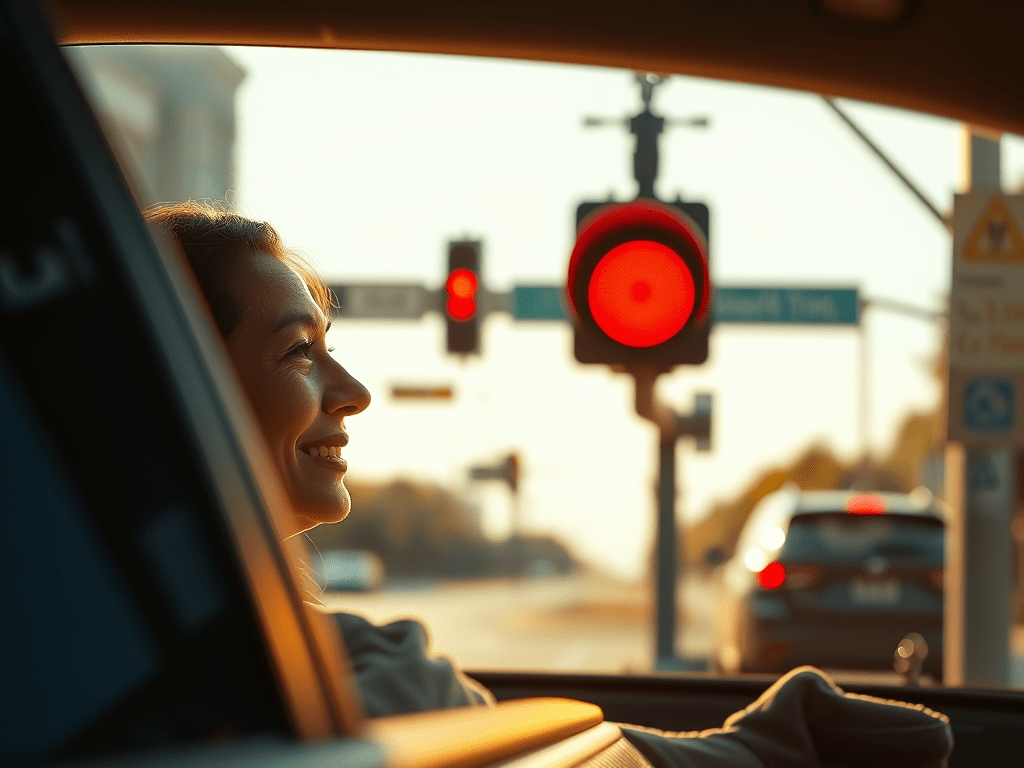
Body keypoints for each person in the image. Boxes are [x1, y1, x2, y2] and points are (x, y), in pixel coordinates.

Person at [146, 201, 954, 768]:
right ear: (173, 386)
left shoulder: (153, 656)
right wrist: (774, 742)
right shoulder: (352, 674)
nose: (353, 389)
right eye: (297, 352)